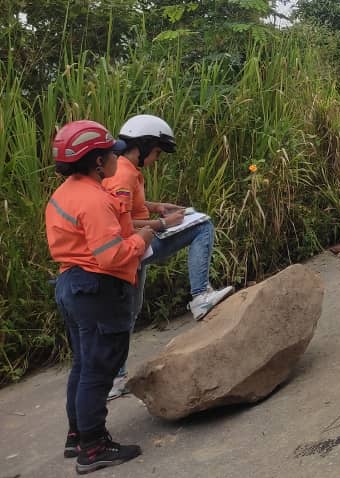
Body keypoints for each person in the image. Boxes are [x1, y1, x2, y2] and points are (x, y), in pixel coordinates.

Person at [46, 120, 152, 473]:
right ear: (95, 162)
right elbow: (112, 255)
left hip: (71, 284)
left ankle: (77, 436)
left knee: (82, 364)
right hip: (96, 290)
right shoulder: (92, 199)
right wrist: (144, 238)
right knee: (98, 368)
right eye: (110, 154)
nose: (115, 160)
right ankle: (93, 447)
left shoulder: (66, 192)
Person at [103, 114, 233, 399]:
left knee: (128, 315)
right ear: (145, 145)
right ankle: (200, 296)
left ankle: (116, 378)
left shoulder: (124, 169)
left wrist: (157, 206)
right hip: (135, 245)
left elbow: (129, 208)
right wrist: (163, 223)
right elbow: (118, 223)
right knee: (203, 223)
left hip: (131, 250)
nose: (157, 158)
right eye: (157, 152)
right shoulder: (123, 174)